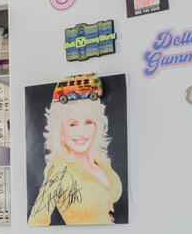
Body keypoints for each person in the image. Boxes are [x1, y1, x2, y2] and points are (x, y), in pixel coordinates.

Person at [28, 76, 123, 226]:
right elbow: (36, 222)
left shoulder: (101, 163)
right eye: (73, 124)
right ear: (60, 131)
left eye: (88, 122)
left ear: (97, 126)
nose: (82, 133)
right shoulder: (59, 169)